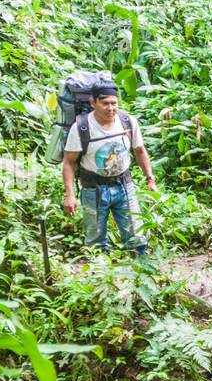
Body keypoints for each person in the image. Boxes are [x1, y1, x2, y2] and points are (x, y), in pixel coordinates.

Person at [61, 83, 156, 255]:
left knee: (136, 235)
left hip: (124, 185)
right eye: (105, 103)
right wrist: (70, 195)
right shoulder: (82, 127)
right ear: (93, 103)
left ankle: (141, 271)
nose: (110, 108)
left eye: (114, 103)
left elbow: (140, 150)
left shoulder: (127, 121)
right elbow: (69, 162)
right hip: (93, 189)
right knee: (95, 240)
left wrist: (150, 178)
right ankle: (100, 275)